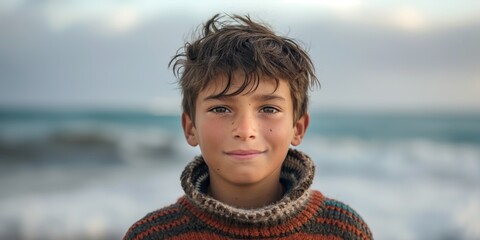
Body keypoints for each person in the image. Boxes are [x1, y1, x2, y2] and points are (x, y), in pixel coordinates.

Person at [124, 13, 373, 240]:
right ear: (190, 128)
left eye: (269, 109)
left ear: (298, 128)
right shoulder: (151, 235)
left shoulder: (342, 231)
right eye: (220, 109)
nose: (245, 130)